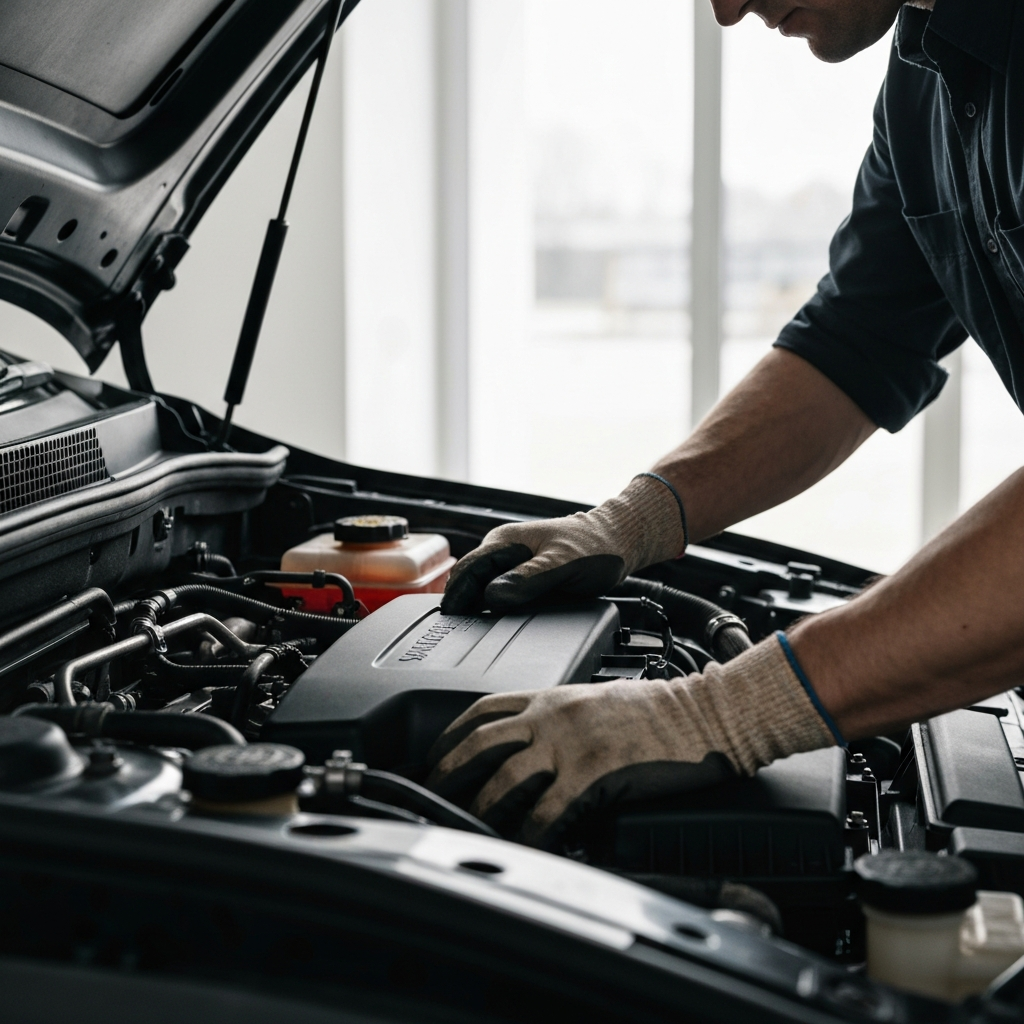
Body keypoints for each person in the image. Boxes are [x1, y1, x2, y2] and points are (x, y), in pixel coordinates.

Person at [426, 0, 1024, 850]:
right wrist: (631, 521)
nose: (726, 8)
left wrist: (718, 713)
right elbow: (854, 345)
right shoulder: (924, 75)